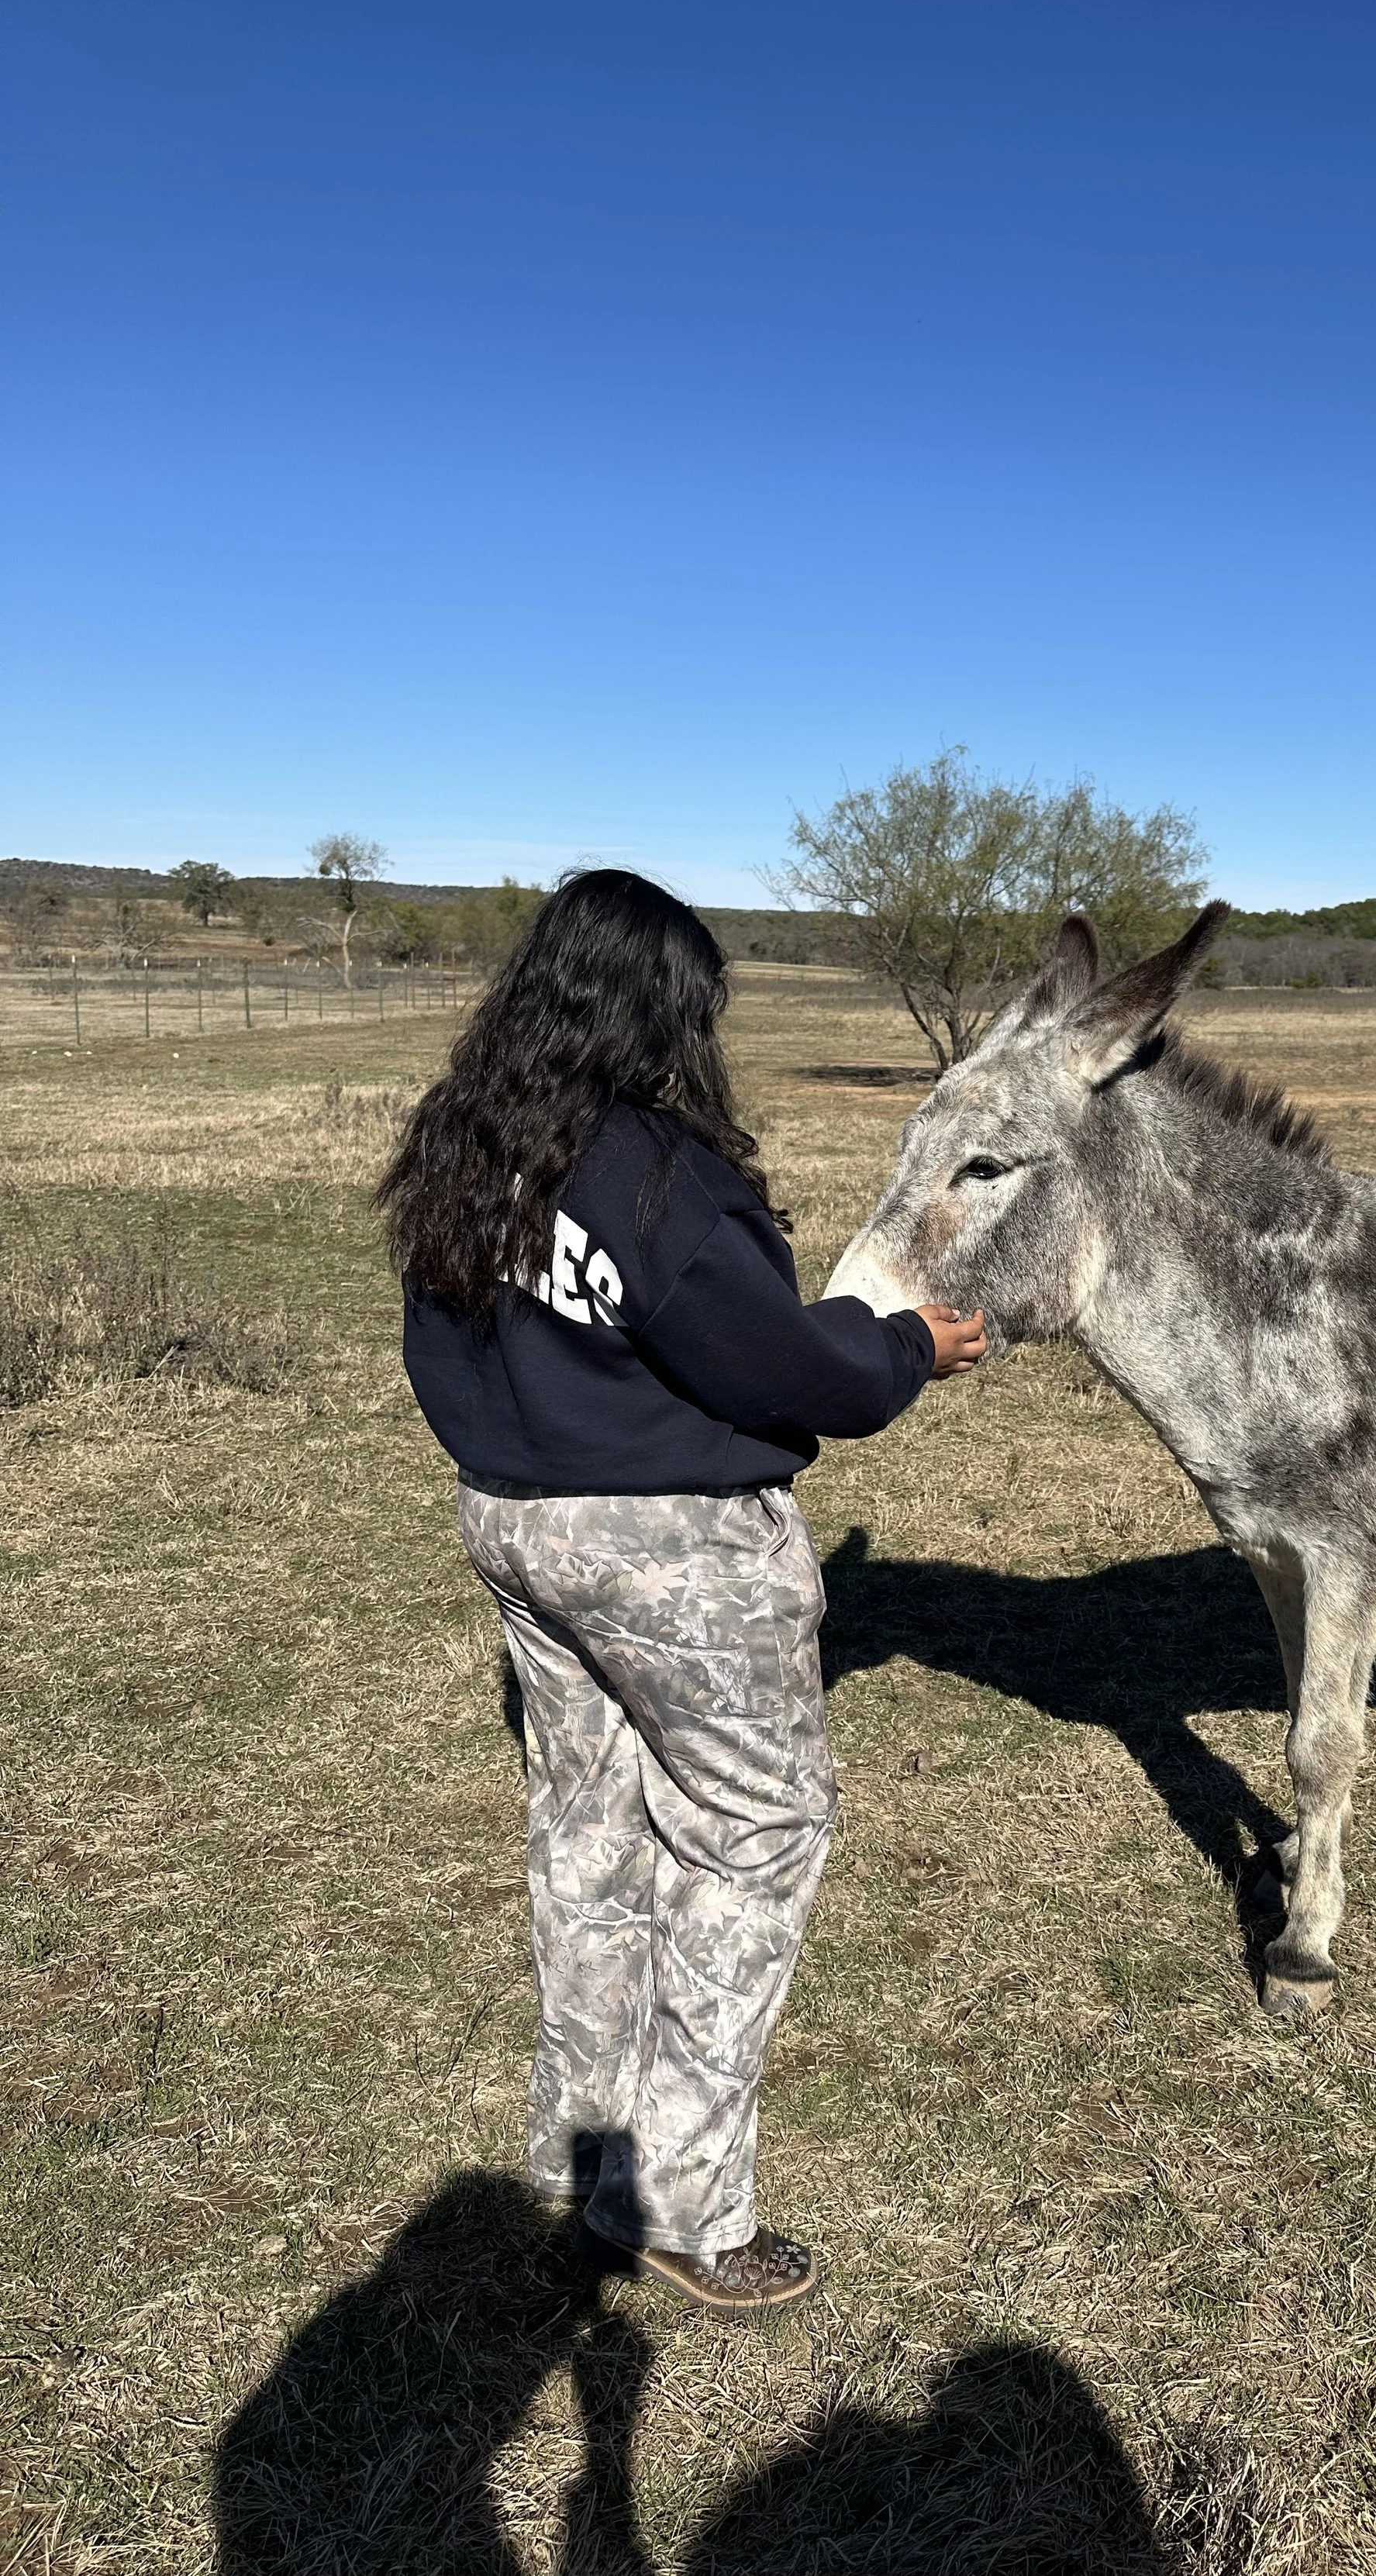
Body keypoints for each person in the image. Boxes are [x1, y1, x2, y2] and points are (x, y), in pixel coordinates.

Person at [377, 871, 985, 2312]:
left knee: (588, 1836)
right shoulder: (656, 1173)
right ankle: (689, 2207)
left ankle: (584, 2159)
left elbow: (458, 1347)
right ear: (663, 1013)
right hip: (673, 1551)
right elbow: (776, 1368)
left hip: (516, 1525)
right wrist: (904, 1349)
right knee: (756, 1835)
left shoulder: (469, 1143)